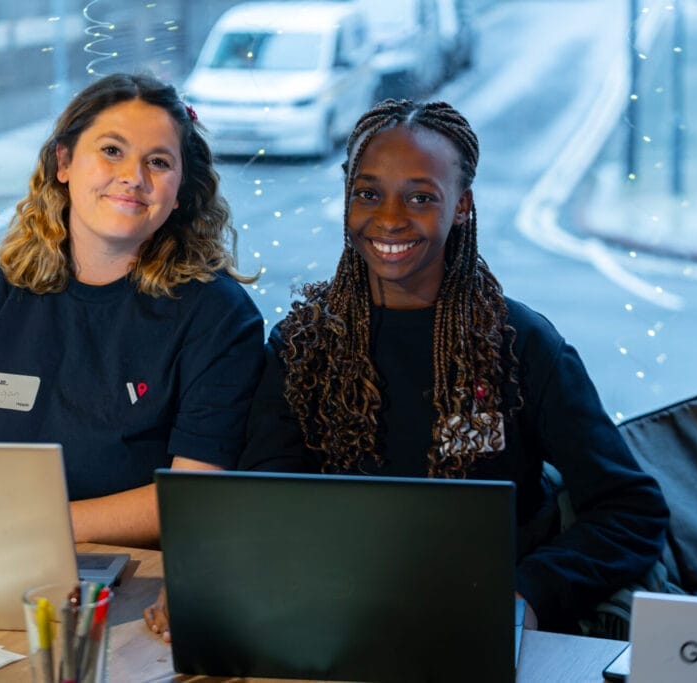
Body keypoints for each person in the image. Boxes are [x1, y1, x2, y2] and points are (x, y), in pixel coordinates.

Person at [144, 99, 668, 638]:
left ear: (461, 206)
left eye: (420, 197)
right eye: (368, 194)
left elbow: (631, 510)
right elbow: (263, 501)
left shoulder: (522, 345)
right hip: (330, 617)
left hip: (474, 619)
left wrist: (527, 594)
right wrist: (208, 580)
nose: (390, 218)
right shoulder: (302, 344)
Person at [0, 73, 264, 548]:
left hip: (132, 579)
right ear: (63, 161)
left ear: (182, 186)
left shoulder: (218, 316)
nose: (133, 176)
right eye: (111, 150)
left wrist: (29, 526)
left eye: (159, 161)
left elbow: (194, 493)